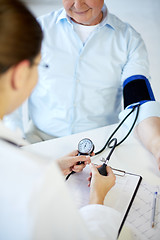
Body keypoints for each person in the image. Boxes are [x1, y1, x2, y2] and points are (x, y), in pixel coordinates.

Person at [0, 0, 121, 239]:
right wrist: (97, 199)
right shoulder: (35, 180)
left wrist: (53, 169)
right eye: (39, 65)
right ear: (20, 74)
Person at [18, 0, 159, 170]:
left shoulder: (129, 41)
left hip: (99, 146)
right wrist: (17, 143)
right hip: (40, 142)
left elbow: (139, 101)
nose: (77, 5)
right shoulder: (37, 30)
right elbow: (12, 88)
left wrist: (157, 145)